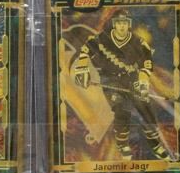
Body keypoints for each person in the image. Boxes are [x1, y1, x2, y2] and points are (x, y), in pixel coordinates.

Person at [71, 9, 170, 161]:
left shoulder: (137, 42)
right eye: (119, 23)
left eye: (125, 23)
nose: (122, 26)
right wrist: (82, 69)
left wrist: (143, 81)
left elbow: (146, 63)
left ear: (128, 25)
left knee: (146, 111)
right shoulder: (101, 40)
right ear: (114, 24)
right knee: (121, 110)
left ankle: (155, 145)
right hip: (111, 83)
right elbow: (84, 52)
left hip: (134, 81)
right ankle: (122, 144)